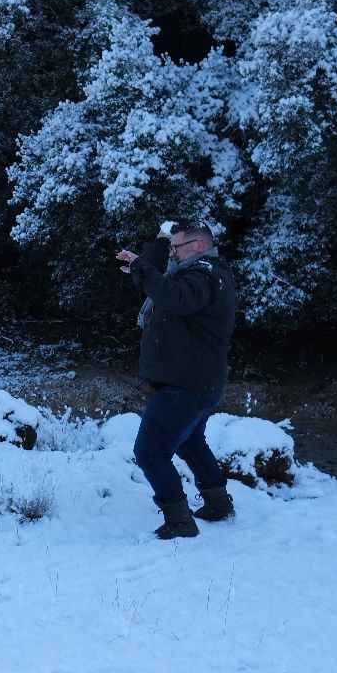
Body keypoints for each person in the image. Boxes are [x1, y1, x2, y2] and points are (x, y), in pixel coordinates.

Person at [115, 219, 238, 539]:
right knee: (190, 442)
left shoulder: (204, 276)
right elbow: (160, 285)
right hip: (196, 381)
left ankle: (179, 521)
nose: (171, 254)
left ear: (198, 246)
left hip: (188, 384)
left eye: (175, 247)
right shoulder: (197, 272)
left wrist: (146, 267)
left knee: (150, 452)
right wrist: (150, 257)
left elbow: (173, 297)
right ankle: (219, 504)